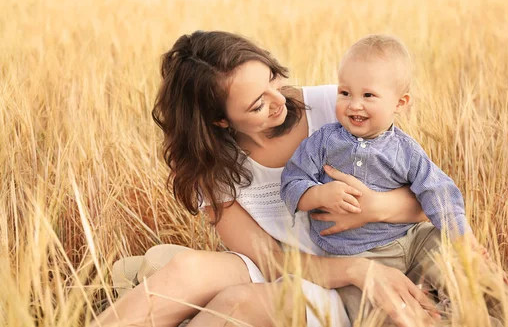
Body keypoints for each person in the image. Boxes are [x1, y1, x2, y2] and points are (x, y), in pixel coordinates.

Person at [91, 30, 439, 327]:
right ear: (220, 121)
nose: (280, 100)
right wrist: (354, 270)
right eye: (257, 104)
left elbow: (428, 201)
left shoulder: (337, 106)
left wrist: (375, 208)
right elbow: (269, 260)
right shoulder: (213, 165)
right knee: (186, 270)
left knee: (237, 303)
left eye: (273, 78)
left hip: (350, 275)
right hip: (288, 267)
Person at [280, 34, 492, 324]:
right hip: (356, 257)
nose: (354, 105)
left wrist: (464, 241)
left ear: (400, 103)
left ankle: (480, 309)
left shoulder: (405, 150)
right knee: (376, 315)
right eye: (345, 93)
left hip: (411, 240)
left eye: (368, 96)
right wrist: (317, 195)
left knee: (455, 263)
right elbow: (291, 181)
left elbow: (438, 192)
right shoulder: (324, 142)